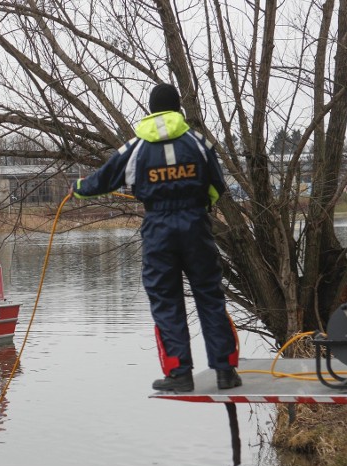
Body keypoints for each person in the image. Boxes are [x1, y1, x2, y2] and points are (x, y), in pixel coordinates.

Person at [70, 83, 240, 393]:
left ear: (151, 110)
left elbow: (104, 179)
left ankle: (179, 374)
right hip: (195, 223)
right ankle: (225, 371)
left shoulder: (136, 147)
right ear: (178, 109)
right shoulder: (198, 142)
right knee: (209, 294)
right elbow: (218, 184)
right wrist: (202, 205)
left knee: (165, 298)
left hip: (158, 227)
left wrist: (79, 188)